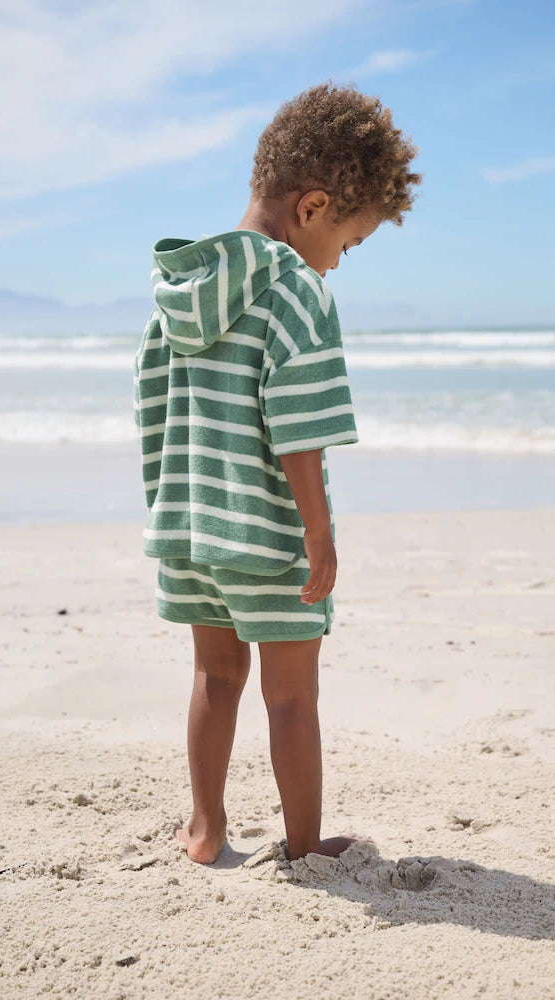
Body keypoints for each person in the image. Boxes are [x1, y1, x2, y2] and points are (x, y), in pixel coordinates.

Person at [133, 81, 421, 865]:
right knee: (290, 693)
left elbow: (155, 412)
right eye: (349, 244)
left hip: (190, 529)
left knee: (213, 675)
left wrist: (172, 513)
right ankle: (303, 847)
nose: (340, 263)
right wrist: (318, 534)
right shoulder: (296, 289)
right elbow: (302, 423)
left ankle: (205, 829)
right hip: (267, 534)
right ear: (314, 207)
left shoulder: (177, 294)